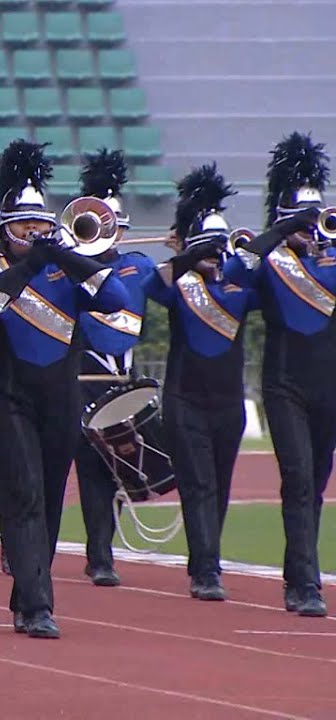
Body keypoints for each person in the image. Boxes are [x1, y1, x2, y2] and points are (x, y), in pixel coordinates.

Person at [0, 139, 129, 639]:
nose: (32, 233)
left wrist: (69, 257)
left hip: (60, 398)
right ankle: (37, 604)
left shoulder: (67, 272)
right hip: (7, 396)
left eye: (39, 225)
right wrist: (32, 264)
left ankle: (27, 596)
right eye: (21, 226)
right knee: (23, 494)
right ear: (4, 230)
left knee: (52, 497)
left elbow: (115, 296)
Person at [225, 132, 332, 617]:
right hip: (284, 382)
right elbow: (235, 272)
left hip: (329, 385)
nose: (313, 228)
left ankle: (300, 572)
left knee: (317, 480)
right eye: (304, 219)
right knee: (298, 477)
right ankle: (305, 584)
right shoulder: (268, 260)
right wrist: (279, 231)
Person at [145, 164, 257, 602]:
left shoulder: (240, 284)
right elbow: (153, 288)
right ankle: (207, 569)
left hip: (228, 401)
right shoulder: (181, 283)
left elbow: (266, 278)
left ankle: (206, 560)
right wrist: (186, 254)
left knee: (222, 486)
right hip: (185, 398)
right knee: (198, 484)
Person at [72, 149, 156, 587]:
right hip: (78, 376)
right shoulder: (69, 268)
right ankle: (95, 553)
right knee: (82, 467)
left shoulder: (139, 266)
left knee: (114, 466)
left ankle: (101, 552)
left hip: (121, 378)